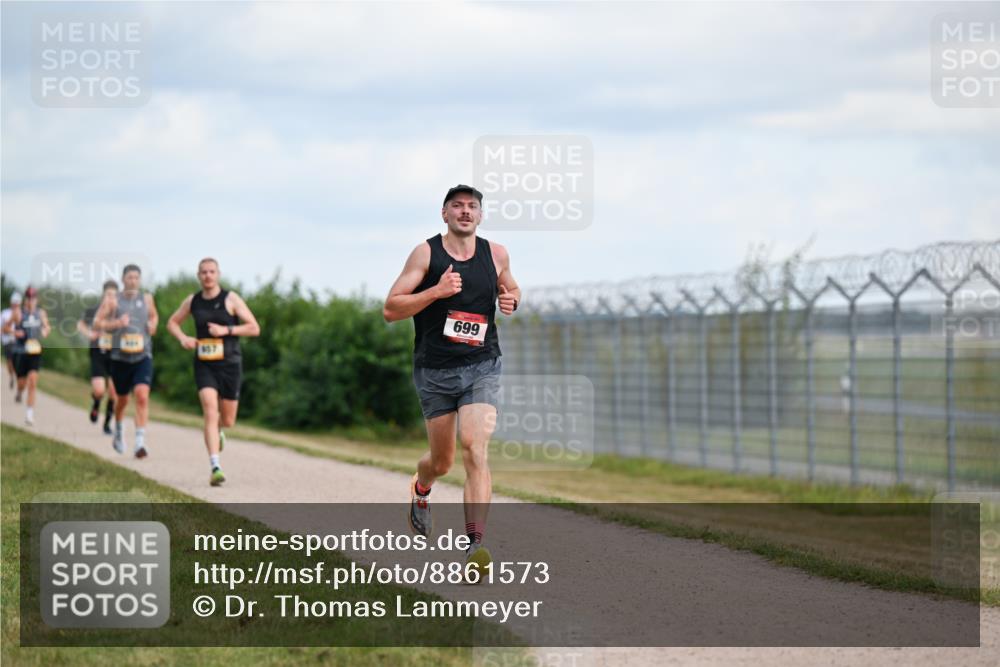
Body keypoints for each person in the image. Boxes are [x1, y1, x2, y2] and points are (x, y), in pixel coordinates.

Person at [383, 184, 520, 571]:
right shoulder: (426, 253)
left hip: (482, 364)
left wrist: (512, 299)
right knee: (441, 462)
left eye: (472, 206)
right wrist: (437, 291)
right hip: (435, 370)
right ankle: (422, 487)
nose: (465, 212)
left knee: (474, 447)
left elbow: (510, 287)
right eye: (456, 206)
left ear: (480, 215)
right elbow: (391, 308)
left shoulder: (496, 253)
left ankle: (474, 546)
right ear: (444, 214)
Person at [166, 258, 260, 486]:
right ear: (198, 275)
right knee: (210, 410)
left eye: (211, 272)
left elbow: (254, 328)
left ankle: (219, 433)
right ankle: (215, 466)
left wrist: (226, 329)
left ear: (218, 274)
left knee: (227, 420)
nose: (207, 276)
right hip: (204, 363)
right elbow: (172, 323)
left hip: (230, 364)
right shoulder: (193, 301)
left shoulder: (231, 298)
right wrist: (183, 338)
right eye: (203, 272)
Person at [95, 264, 158, 458]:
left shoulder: (147, 299)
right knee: (122, 399)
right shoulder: (114, 301)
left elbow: (154, 316)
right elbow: (98, 322)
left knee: (141, 395)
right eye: (129, 277)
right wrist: (116, 323)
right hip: (120, 358)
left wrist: (152, 325)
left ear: (140, 280)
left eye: (136, 278)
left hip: (142, 355)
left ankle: (140, 441)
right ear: (123, 280)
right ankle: (119, 430)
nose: (133, 281)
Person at [78, 280, 119, 434]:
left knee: (115, 393)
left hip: (115, 354)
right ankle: (96, 403)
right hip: (98, 352)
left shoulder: (120, 311)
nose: (111, 298)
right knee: (99, 390)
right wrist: (89, 333)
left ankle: (108, 423)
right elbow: (81, 324)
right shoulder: (95, 310)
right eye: (109, 294)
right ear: (103, 295)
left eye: (114, 295)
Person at [8, 287, 51, 425]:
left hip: (35, 351)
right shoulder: (19, 313)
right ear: (25, 299)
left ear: (36, 299)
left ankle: (29, 414)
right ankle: (19, 392)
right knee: (22, 383)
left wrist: (45, 331)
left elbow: (47, 327)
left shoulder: (41, 313)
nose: (31, 301)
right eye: (28, 298)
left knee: (32, 382)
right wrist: (15, 333)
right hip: (21, 351)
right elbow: (5, 328)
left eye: (33, 298)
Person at [1, 292, 21, 390]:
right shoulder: (5, 313)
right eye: (14, 303)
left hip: (17, 341)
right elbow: (2, 328)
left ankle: (18, 379)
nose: (15, 305)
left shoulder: (22, 314)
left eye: (17, 303)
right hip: (7, 341)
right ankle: (12, 375)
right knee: (10, 362)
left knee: (16, 361)